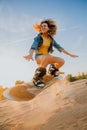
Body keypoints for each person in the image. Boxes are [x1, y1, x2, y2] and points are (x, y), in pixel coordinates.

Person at [24, 19, 78, 87]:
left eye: (45, 26)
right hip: (39, 58)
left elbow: (59, 48)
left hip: (47, 57)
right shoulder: (38, 38)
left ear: (48, 28)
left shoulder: (51, 39)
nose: (43, 27)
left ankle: (52, 71)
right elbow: (33, 46)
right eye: (42, 26)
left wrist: (70, 54)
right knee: (47, 56)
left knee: (61, 61)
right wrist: (30, 54)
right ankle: (36, 78)